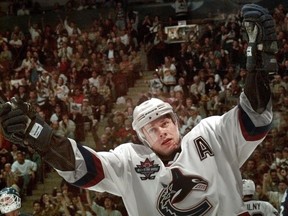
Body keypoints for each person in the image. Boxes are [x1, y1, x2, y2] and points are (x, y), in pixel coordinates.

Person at [0, 4, 279, 215]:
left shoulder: (210, 133)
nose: (162, 131)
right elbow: (84, 167)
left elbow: (254, 117)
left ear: (176, 121)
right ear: (142, 138)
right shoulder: (130, 160)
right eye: (152, 129)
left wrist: (258, 67)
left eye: (165, 122)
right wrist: (42, 137)